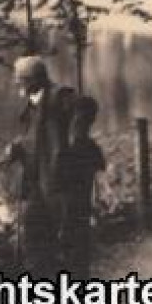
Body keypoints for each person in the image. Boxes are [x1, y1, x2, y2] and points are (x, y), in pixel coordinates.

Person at [5, 55, 72, 277]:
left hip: (54, 180)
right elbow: (32, 136)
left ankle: (51, 281)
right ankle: (42, 279)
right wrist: (17, 146)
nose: (16, 83)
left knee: (51, 232)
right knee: (33, 230)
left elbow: (77, 112)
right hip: (35, 181)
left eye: (20, 79)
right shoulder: (33, 103)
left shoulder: (58, 97)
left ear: (33, 80)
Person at [56, 94, 106, 278]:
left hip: (79, 205)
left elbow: (97, 176)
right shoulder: (67, 148)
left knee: (78, 248)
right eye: (79, 120)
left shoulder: (86, 148)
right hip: (69, 205)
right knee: (71, 247)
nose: (82, 124)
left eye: (86, 121)